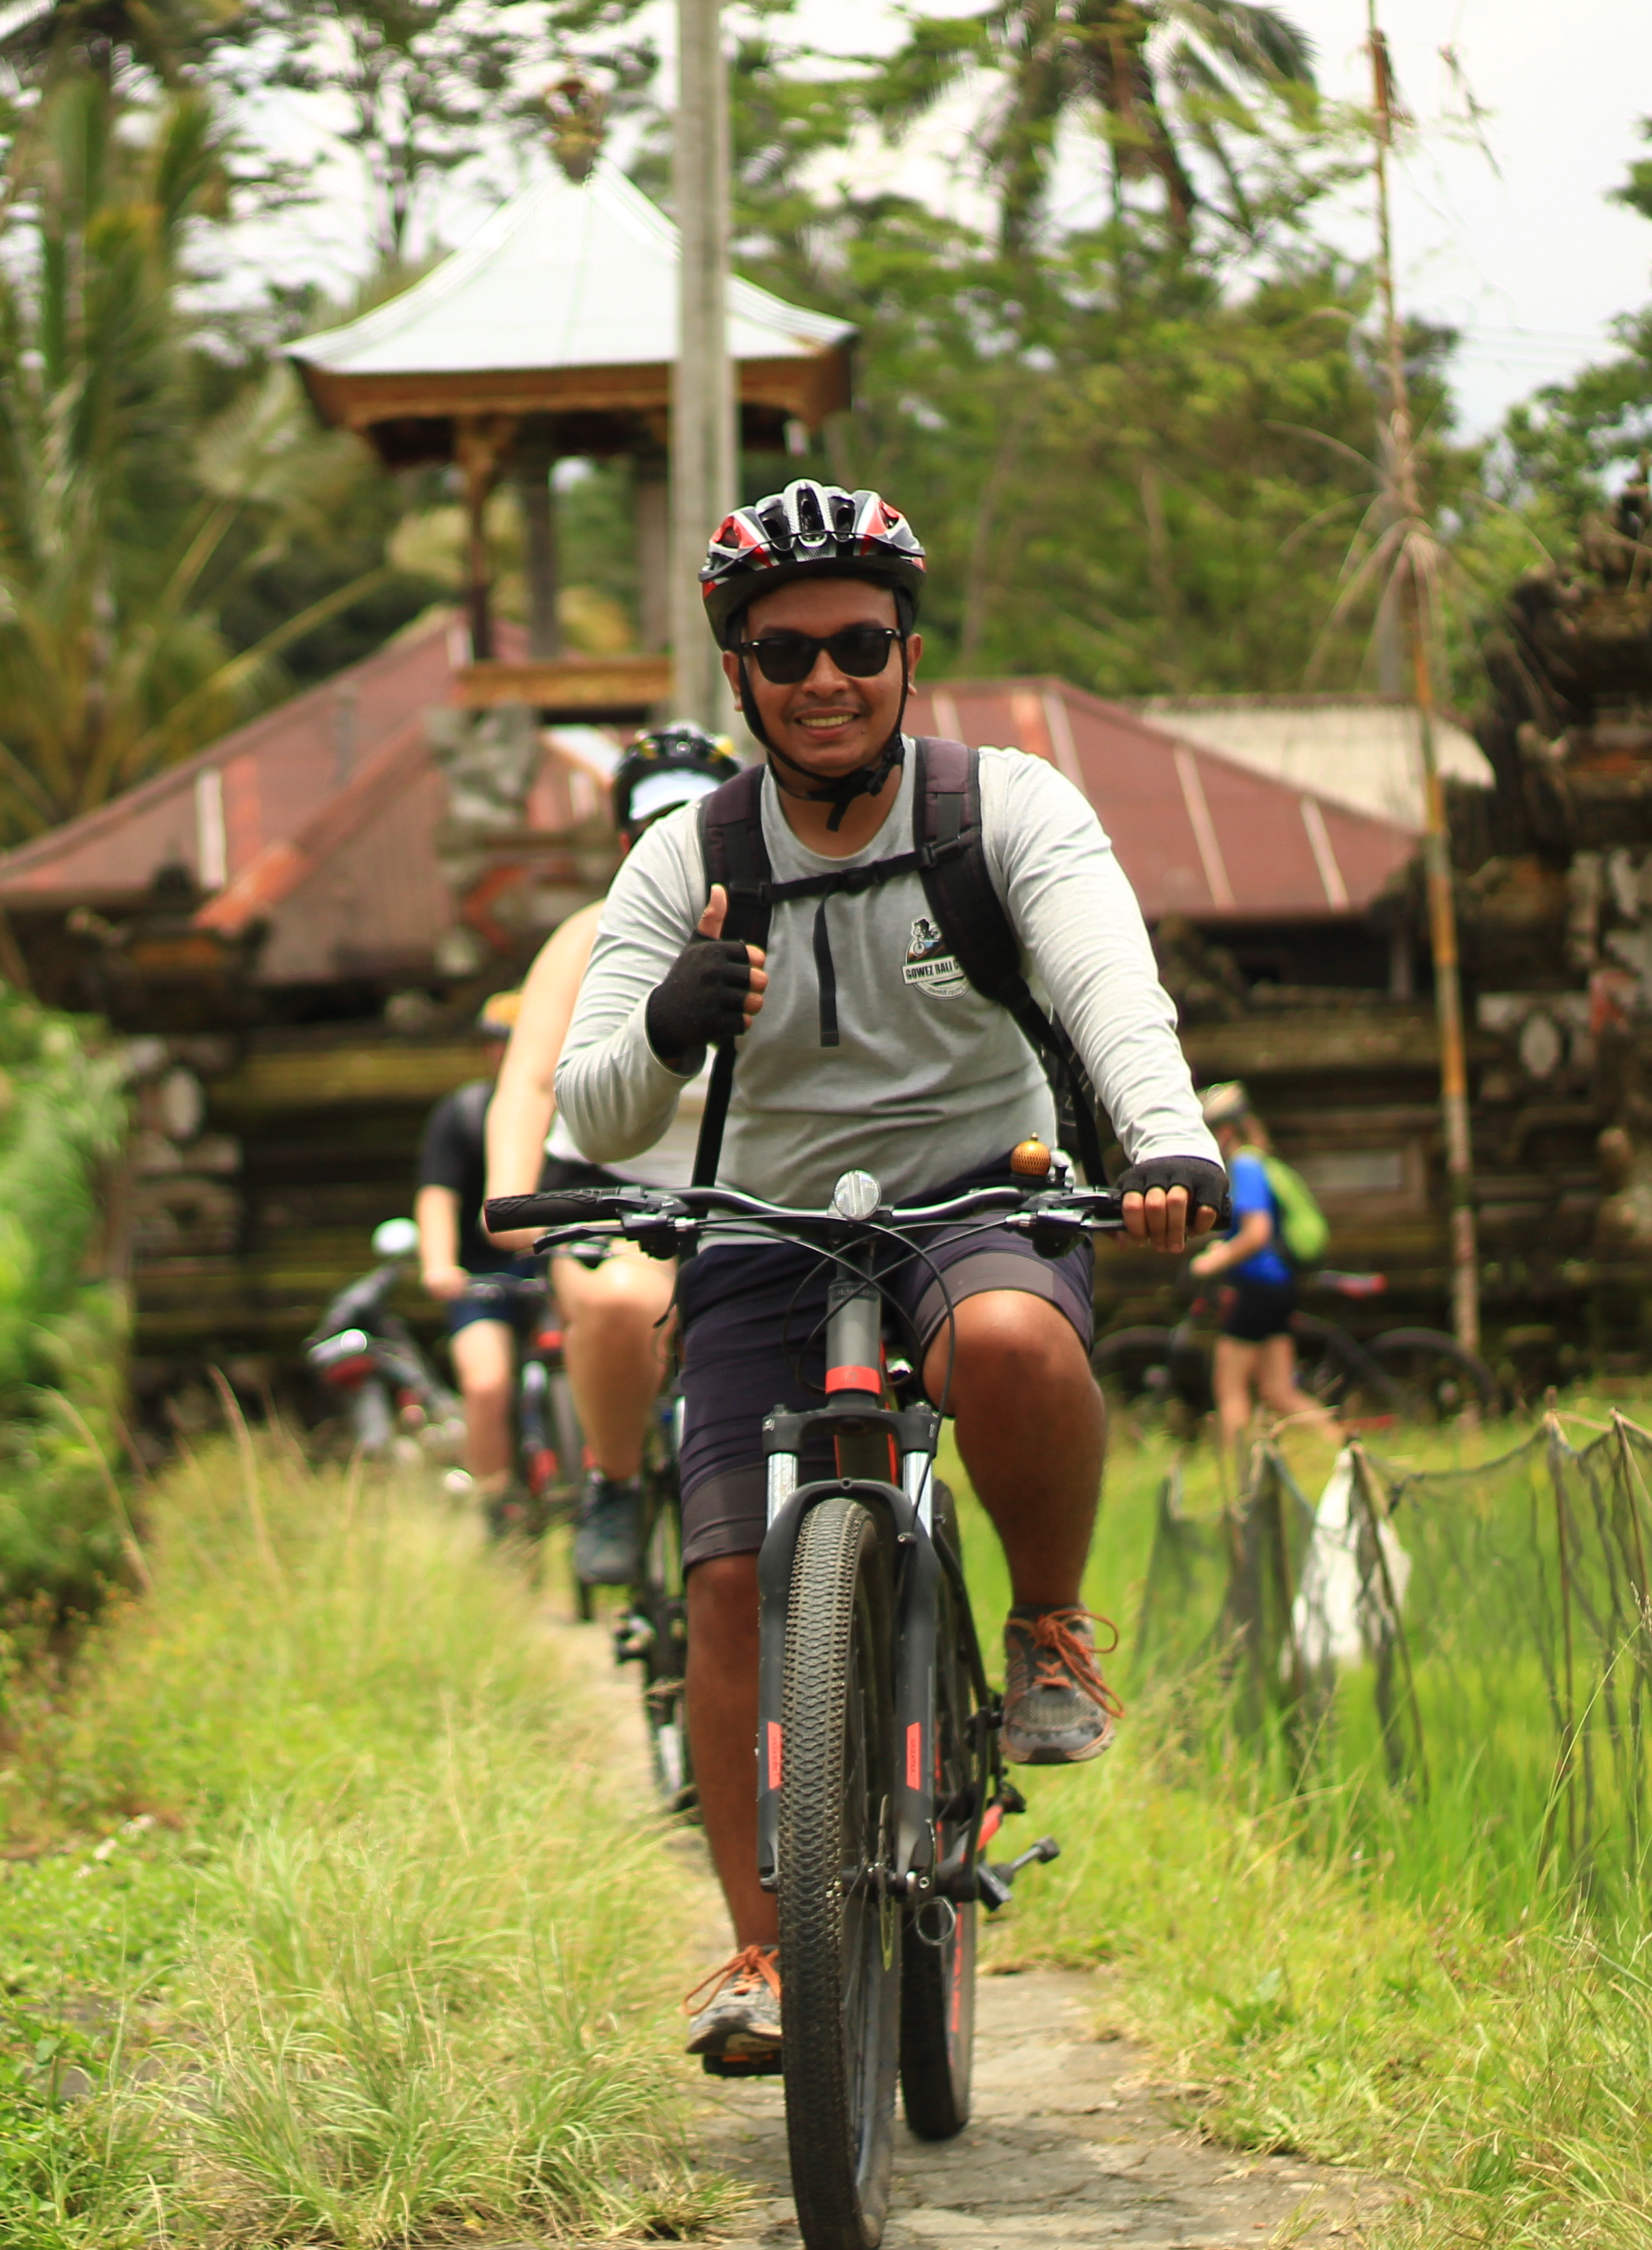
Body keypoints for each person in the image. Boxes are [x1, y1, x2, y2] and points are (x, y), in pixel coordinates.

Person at [551, 480, 1225, 2065]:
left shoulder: (1004, 811)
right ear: (739, 678)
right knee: (724, 1579)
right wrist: (662, 1023)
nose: (825, 680)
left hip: (972, 1192)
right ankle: (759, 1954)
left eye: (859, 643)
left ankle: (1047, 1624)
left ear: (907, 653)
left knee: (1001, 1339)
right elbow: (593, 1106)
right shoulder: (683, 858)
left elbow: (1110, 986)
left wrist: (1164, 1141)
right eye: (786, 654)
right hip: (758, 1226)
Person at [484, 727, 739, 1587]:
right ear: (626, 840)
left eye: (693, 822)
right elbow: (528, 1083)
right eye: (653, 826)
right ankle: (617, 1481)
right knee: (623, 1306)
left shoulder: (787, 921)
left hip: (749, 1183)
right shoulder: (587, 937)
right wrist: (508, 1196)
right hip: (610, 1189)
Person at [414, 995, 534, 1504]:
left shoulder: (576, 1110)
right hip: (485, 1279)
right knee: (486, 1386)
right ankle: (494, 1503)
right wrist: (440, 1266)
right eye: (498, 1044)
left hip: (563, 1267)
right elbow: (437, 1198)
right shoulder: (461, 1116)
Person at [1185, 1083, 1341, 1471]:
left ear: (1223, 1132)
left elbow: (1257, 1232)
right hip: (1278, 1286)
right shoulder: (1261, 1160)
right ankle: (1345, 1452)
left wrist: (1214, 1261)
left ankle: (1237, 1477)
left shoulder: (1246, 1165)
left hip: (1256, 1287)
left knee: (1230, 1388)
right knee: (1278, 1390)